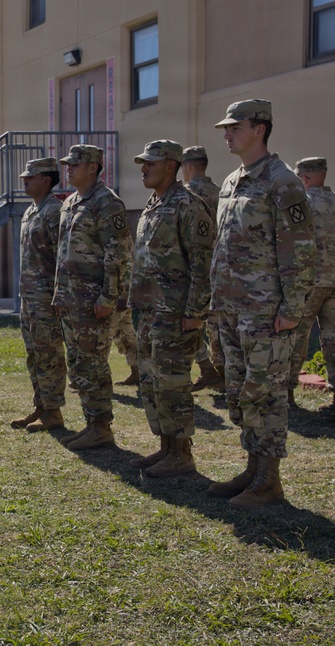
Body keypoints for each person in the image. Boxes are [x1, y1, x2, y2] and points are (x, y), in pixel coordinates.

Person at [207, 99, 315, 508]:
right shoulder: (233, 180)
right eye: (226, 127)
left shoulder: (282, 181)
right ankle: (253, 469)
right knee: (239, 391)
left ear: (260, 129)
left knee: (265, 393)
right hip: (232, 307)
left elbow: (300, 249)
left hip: (266, 310)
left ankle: (269, 481)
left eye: (235, 126)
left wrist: (292, 308)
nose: (227, 133)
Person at [128, 140, 215, 477]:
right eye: (143, 163)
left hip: (176, 315)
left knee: (173, 384)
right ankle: (165, 447)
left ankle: (181, 453)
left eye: (150, 163)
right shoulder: (153, 205)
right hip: (149, 313)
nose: (143, 168)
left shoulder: (188, 206)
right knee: (151, 383)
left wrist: (195, 313)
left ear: (171, 165)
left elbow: (201, 264)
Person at [54, 144, 133, 450]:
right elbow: (64, 253)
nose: (69, 169)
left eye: (75, 164)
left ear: (93, 167)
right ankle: (91, 423)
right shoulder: (71, 202)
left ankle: (101, 426)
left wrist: (109, 297)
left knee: (93, 364)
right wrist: (60, 293)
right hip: (72, 300)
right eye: (68, 164)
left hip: (94, 302)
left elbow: (119, 254)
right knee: (79, 364)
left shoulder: (106, 203)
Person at [289, 157, 335, 416]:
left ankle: (288, 395)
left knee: (296, 336)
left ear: (303, 178)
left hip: (310, 283)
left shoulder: (302, 204)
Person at [10, 156, 67, 433]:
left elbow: (63, 258)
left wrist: (60, 296)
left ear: (46, 180)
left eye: (30, 177)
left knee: (49, 355)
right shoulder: (32, 211)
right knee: (34, 355)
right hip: (29, 298)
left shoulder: (55, 211)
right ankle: (41, 405)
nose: (25, 180)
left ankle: (53, 413)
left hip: (46, 300)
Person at [182, 145, 225, 393]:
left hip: (191, 269)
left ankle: (209, 369)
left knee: (190, 320)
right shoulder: (221, 192)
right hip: (218, 268)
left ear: (188, 167)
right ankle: (220, 372)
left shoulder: (185, 195)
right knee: (217, 325)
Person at [111, 308, 141, 386]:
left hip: (118, 302)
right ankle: (137, 374)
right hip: (119, 302)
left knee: (105, 332)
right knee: (126, 339)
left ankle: (139, 374)